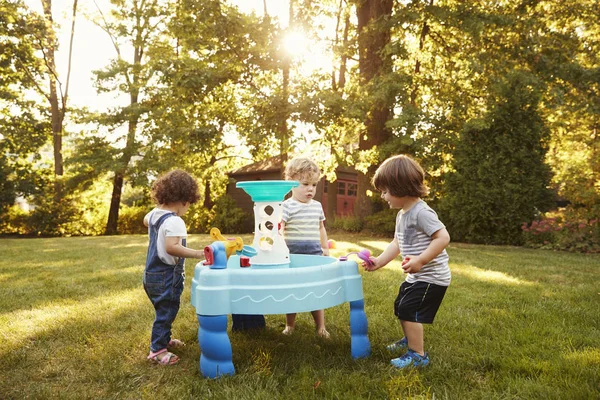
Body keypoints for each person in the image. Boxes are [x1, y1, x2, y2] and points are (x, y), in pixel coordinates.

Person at [364, 155, 451, 369]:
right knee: (401, 306)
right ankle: (409, 340)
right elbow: (397, 242)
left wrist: (421, 260)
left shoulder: (422, 212)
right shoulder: (402, 215)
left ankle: (418, 355)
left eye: (385, 191)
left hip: (432, 277)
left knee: (409, 310)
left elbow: (443, 237)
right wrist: (379, 262)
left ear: (400, 187)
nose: (383, 196)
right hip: (417, 275)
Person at [143, 169, 205, 365]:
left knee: (164, 311)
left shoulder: (154, 215)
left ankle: (163, 339)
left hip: (151, 275)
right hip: (166, 277)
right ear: (185, 200)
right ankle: (157, 350)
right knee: (166, 312)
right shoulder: (175, 220)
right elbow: (171, 247)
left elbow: (145, 221)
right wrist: (197, 253)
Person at [281, 157, 331, 339]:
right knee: (292, 290)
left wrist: (325, 247)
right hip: (293, 255)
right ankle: (290, 325)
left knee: (315, 290)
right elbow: (281, 229)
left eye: (314, 184)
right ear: (291, 184)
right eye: (305, 184)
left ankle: (320, 327)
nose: (310, 189)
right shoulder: (286, 206)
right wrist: (280, 248)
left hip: (314, 254)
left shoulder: (317, 206)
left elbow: (321, 227)